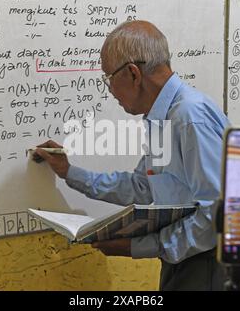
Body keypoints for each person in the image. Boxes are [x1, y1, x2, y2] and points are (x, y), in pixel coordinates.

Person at [34, 20, 230, 290]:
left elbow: (218, 215)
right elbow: (142, 187)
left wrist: (141, 246)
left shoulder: (188, 117)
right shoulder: (162, 118)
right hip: (186, 257)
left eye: (108, 78)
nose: (110, 91)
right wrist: (69, 172)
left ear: (133, 73)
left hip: (207, 263)